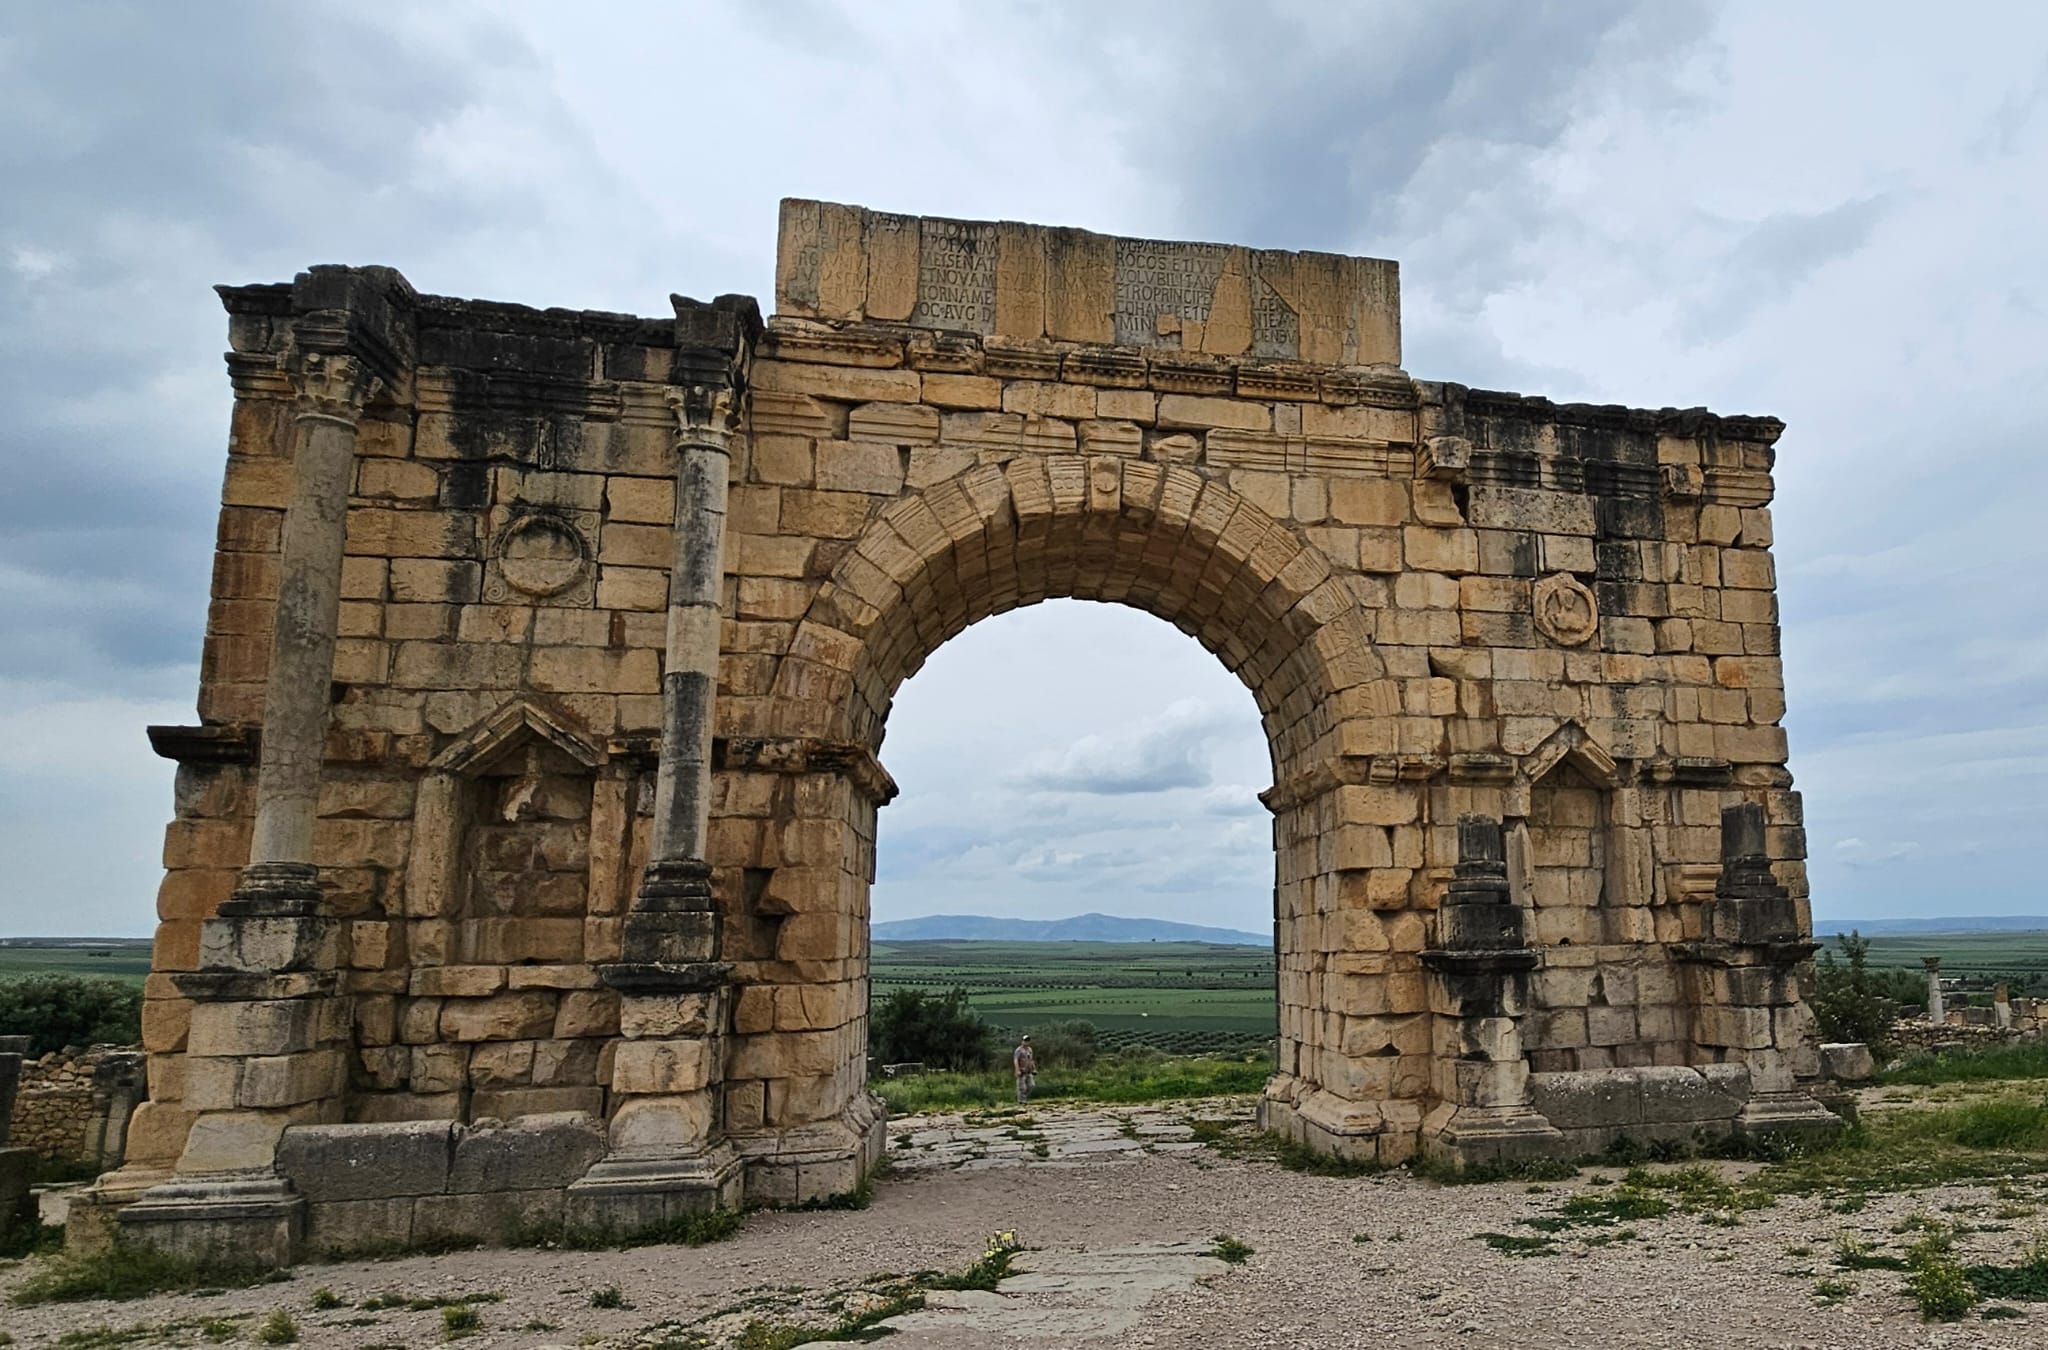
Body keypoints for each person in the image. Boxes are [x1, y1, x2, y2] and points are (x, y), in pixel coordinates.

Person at [1012, 1033, 1036, 1105]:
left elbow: (1031, 1059)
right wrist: (1017, 1070)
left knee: (1031, 1085)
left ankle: (1023, 1098)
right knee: (1022, 1087)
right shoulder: (1018, 1050)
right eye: (1025, 1041)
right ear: (1022, 1041)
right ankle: (1021, 1101)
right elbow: (1016, 1060)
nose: (1026, 1042)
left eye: (1027, 1041)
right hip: (1022, 1071)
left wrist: (1034, 1068)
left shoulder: (1030, 1050)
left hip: (1029, 1071)